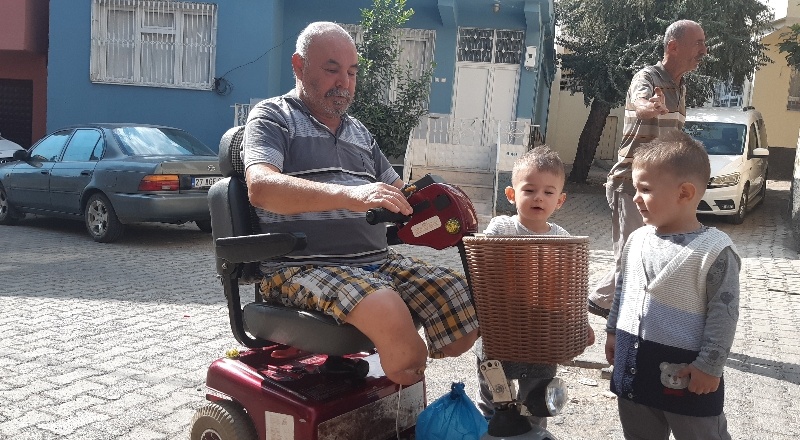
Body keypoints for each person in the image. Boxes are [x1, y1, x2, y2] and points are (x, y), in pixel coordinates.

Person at [240, 21, 479, 386]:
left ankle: (397, 359)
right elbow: (262, 187)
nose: (345, 83)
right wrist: (351, 195)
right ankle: (400, 388)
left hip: (375, 261)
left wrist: (443, 205)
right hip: (299, 267)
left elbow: (403, 195)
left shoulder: (359, 133)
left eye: (352, 72)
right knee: (390, 317)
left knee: (461, 301)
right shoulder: (273, 118)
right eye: (332, 69)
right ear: (299, 66)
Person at [604, 132, 740, 440]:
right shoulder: (637, 239)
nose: (636, 197)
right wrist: (613, 330)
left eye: (646, 189)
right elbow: (623, 289)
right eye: (635, 189)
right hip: (634, 369)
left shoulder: (715, 251)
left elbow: (724, 314)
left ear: (685, 193)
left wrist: (710, 365)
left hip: (687, 377)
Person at [589, 19, 707, 318]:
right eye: (698, 44)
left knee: (642, 255)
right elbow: (640, 101)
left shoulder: (681, 87)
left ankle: (601, 302)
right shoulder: (648, 76)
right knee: (629, 256)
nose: (704, 51)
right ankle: (615, 318)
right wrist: (648, 106)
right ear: (673, 46)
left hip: (660, 190)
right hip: (630, 183)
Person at [475, 146, 594, 426]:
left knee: (538, 398)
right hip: (501, 327)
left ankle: (533, 430)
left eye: (548, 192)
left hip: (541, 331)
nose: (539, 197)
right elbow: (486, 264)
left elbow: (570, 290)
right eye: (529, 190)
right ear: (511, 195)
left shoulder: (563, 238)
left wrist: (580, 322)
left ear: (560, 200)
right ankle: (491, 428)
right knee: (494, 394)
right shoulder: (501, 227)